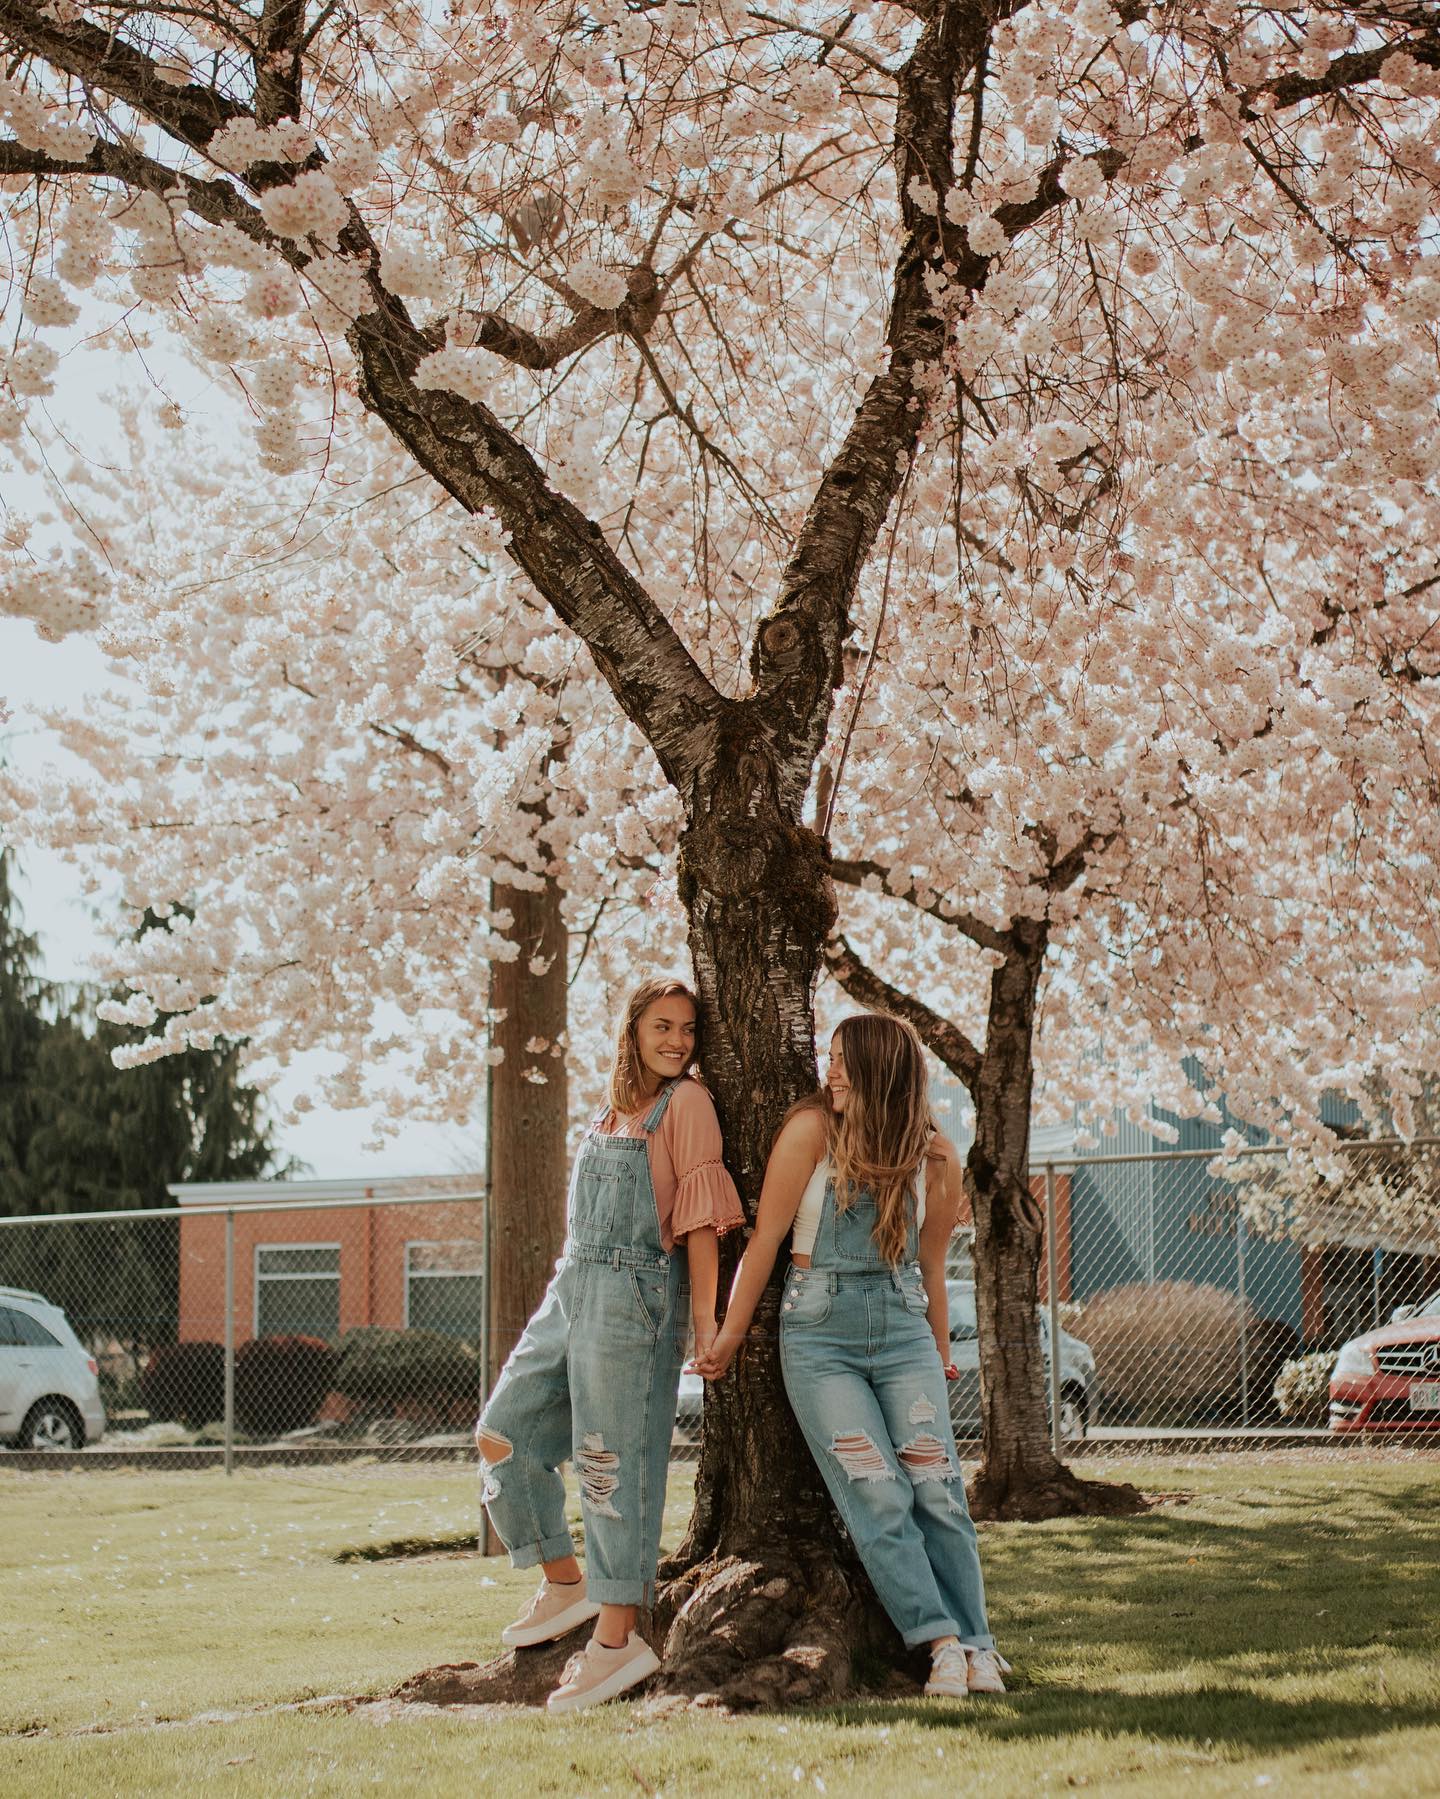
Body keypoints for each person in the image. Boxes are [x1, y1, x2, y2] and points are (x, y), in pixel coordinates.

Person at [692, 1011, 1008, 1699]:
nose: (828, 1073)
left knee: (939, 1489)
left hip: (903, 1337)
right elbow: (766, 1242)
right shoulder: (810, 1131)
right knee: (878, 1490)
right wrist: (728, 1334)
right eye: (828, 1059)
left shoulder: (937, 1158)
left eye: (842, 1061)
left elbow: (929, 1268)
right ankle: (939, 1639)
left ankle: (981, 1643)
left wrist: (939, 1345)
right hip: (820, 1338)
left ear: (881, 1070)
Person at [476, 976, 743, 1714]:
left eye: (688, 1030)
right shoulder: (611, 1107)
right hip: (574, 1283)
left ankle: (619, 1639)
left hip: (635, 1296)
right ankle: (566, 1582)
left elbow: (696, 1222)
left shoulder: (684, 1104)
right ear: (632, 1029)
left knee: (608, 1463)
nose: (677, 1041)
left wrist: (706, 1320)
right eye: (663, 1025)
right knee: (503, 1431)